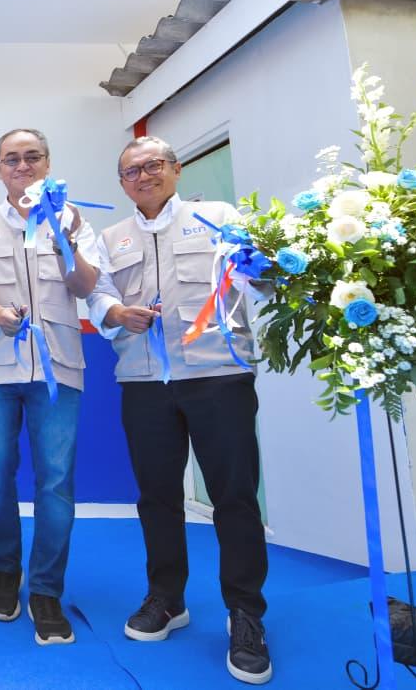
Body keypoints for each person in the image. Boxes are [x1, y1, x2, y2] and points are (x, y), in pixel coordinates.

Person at [86, 135, 272, 685]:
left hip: (218, 376)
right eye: (131, 171)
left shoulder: (220, 219)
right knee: (158, 497)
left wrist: (265, 264)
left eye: (153, 165)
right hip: (145, 382)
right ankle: (166, 598)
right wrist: (116, 312)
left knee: (234, 497)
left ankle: (246, 613)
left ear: (176, 168)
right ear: (122, 183)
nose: (143, 176)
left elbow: (260, 280)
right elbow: (96, 296)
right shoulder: (111, 238)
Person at [0, 128, 98, 646]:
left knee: (55, 481)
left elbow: (85, 286)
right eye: (11, 159)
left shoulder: (74, 220)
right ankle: (5, 571)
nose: (22, 166)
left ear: (48, 163)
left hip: (58, 368)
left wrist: (63, 236)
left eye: (32, 156)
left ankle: (46, 590)